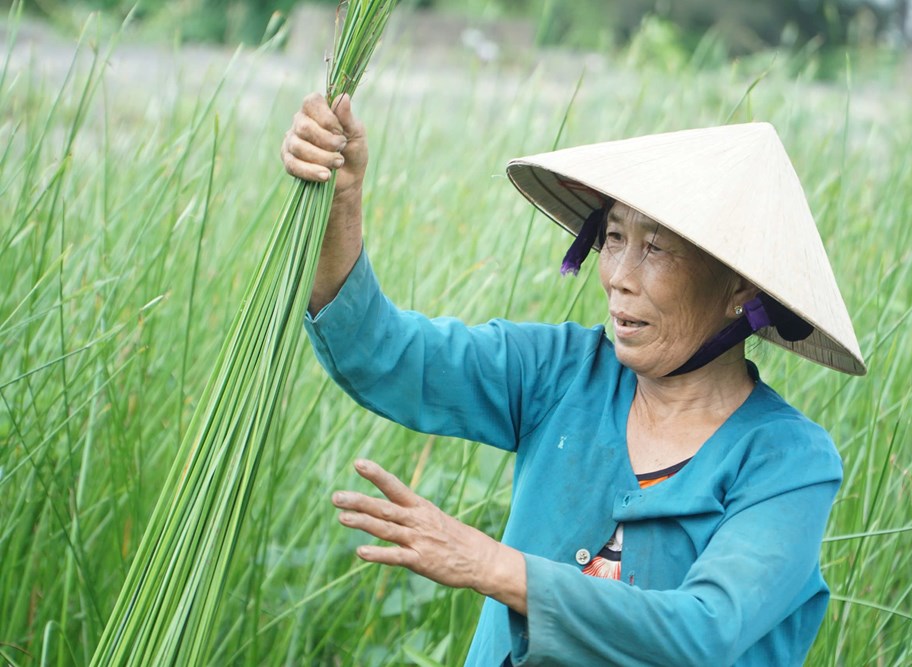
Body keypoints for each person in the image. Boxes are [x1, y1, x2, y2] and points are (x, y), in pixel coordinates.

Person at [281, 92, 866, 666]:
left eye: (656, 248)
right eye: (613, 238)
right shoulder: (559, 373)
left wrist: (491, 565)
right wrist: (342, 202)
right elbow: (380, 354)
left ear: (739, 289)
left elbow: (705, 631)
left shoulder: (787, 461)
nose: (618, 277)